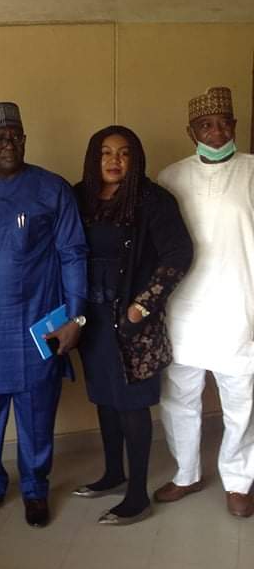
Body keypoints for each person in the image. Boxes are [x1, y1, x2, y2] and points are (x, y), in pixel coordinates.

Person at [0, 102, 87, 528]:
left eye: (15, 137)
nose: (8, 144)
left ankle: (34, 490)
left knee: (36, 414)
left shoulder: (52, 189)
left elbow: (73, 253)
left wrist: (76, 318)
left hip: (36, 328)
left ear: (24, 141)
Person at [71, 126, 193, 525]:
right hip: (91, 318)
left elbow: (179, 254)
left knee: (132, 405)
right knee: (105, 400)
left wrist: (142, 307)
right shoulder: (80, 196)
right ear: (94, 158)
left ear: (135, 158)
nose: (114, 161)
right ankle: (112, 473)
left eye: (124, 153)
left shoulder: (153, 200)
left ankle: (138, 494)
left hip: (132, 323)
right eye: (106, 153)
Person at [156, 86, 254, 518]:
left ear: (235, 126)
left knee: (241, 402)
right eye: (205, 125)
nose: (216, 132)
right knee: (179, 398)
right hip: (184, 312)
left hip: (240, 308)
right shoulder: (170, 177)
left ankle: (238, 480)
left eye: (224, 123)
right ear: (190, 131)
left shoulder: (253, 171)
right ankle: (186, 473)